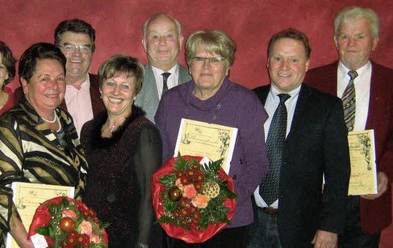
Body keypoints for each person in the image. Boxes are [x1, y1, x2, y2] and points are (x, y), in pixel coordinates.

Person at [305, 6, 393, 247]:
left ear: (374, 42)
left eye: (360, 36)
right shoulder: (313, 80)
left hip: (366, 199)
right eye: (344, 36)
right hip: (320, 195)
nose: (351, 43)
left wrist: (385, 172)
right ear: (335, 41)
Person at [155, 30, 269, 248]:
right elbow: (161, 161)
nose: (206, 66)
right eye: (199, 58)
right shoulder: (171, 101)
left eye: (216, 59)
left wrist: (228, 201)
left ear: (228, 66)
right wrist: (175, 200)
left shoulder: (245, 102)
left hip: (230, 221)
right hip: (181, 217)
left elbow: (258, 163)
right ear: (189, 64)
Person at [248, 28, 350, 248]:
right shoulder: (249, 100)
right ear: (268, 62)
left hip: (300, 227)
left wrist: (330, 227)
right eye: (278, 58)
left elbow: (338, 172)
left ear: (306, 64)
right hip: (249, 224)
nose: (284, 67)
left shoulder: (327, 108)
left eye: (294, 60)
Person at [0, 43, 89, 248]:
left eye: (60, 78)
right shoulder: (11, 125)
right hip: (23, 240)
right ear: (25, 84)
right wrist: (28, 242)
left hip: (62, 233)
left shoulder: (65, 119)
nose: (54, 86)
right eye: (44, 79)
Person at [81, 54, 162, 248]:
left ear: (135, 93)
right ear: (100, 88)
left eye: (125, 86)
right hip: (94, 233)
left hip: (131, 235)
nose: (116, 92)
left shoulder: (144, 132)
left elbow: (148, 196)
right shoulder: (88, 129)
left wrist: (141, 243)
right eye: (111, 84)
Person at [136, 14, 192, 123]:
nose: (162, 42)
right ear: (145, 44)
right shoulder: (130, 82)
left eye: (169, 36)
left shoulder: (196, 81)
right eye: (155, 36)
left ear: (180, 41)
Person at [54, 19, 106, 132]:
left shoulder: (109, 88)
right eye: (69, 47)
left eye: (84, 48)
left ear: (92, 52)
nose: (77, 54)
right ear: (57, 50)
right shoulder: (40, 91)